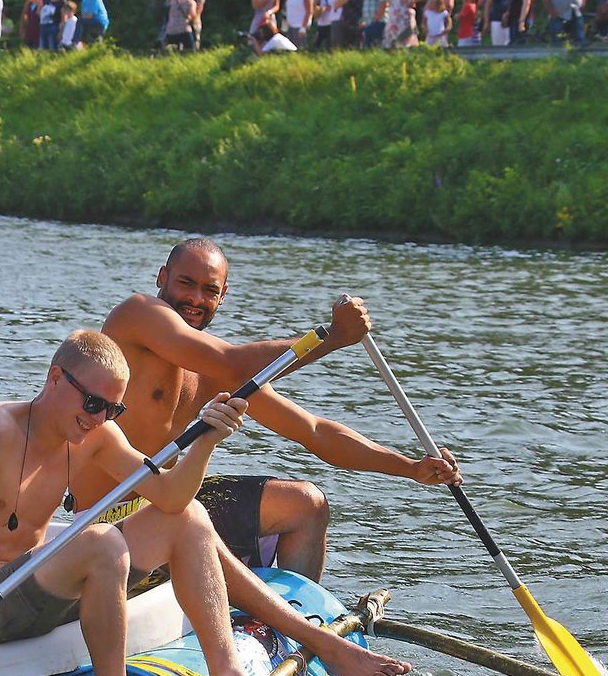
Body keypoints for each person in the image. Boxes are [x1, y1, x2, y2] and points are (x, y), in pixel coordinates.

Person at [0, 331, 411, 676]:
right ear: (55, 378)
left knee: (187, 521)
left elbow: (172, 499)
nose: (98, 419)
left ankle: (227, 673)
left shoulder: (97, 436)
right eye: (92, 402)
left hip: (37, 589)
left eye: (112, 409)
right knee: (100, 541)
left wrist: (206, 440)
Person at [94, 238, 461, 582]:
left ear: (223, 296)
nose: (194, 298)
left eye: (209, 290)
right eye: (185, 283)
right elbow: (234, 361)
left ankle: (294, 631)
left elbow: (313, 431)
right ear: (162, 277)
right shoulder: (137, 314)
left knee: (306, 504)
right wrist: (331, 338)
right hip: (102, 519)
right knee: (192, 515)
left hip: (165, 506)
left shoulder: (213, 370)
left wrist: (410, 468)